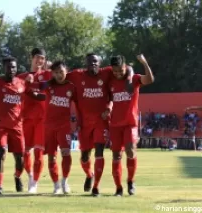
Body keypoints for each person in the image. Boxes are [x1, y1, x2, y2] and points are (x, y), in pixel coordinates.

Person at [65, 53, 134, 196]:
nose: (93, 64)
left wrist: (129, 78)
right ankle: (89, 175)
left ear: (100, 63)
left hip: (101, 122)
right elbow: (60, 75)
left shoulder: (107, 72)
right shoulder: (77, 75)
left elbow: (128, 68)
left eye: (96, 62)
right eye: (90, 62)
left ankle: (96, 187)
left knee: (99, 152)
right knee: (85, 156)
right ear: (86, 63)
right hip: (84, 123)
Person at [0, 56, 45, 195]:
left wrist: (51, 93)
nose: (11, 69)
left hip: (17, 127)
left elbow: (36, 95)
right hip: (0, 126)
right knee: (1, 153)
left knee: (20, 158)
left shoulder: (22, 83)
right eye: (8, 67)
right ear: (4, 68)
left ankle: (17, 176)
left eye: (14, 67)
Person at [108, 54, 154, 196]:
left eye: (120, 70)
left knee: (130, 150)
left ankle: (130, 181)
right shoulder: (110, 81)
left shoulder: (134, 79)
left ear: (125, 67)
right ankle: (118, 188)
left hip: (130, 123)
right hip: (115, 124)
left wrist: (145, 62)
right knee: (116, 155)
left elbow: (150, 79)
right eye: (115, 71)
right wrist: (107, 108)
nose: (117, 73)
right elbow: (109, 98)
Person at [18, 48, 52, 193]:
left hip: (42, 119)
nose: (40, 61)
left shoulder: (48, 75)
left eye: (42, 59)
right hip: (25, 119)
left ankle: (34, 183)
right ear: (31, 58)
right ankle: (30, 175)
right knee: (24, 152)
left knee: (38, 153)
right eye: (37, 58)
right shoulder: (21, 77)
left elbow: (63, 75)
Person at [39, 61, 76, 194]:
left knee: (66, 153)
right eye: (56, 73)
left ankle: (65, 181)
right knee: (51, 157)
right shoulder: (49, 85)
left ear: (66, 70)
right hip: (49, 126)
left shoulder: (71, 86)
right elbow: (39, 86)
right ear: (52, 73)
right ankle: (56, 185)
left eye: (61, 72)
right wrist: (49, 79)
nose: (59, 75)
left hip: (64, 126)